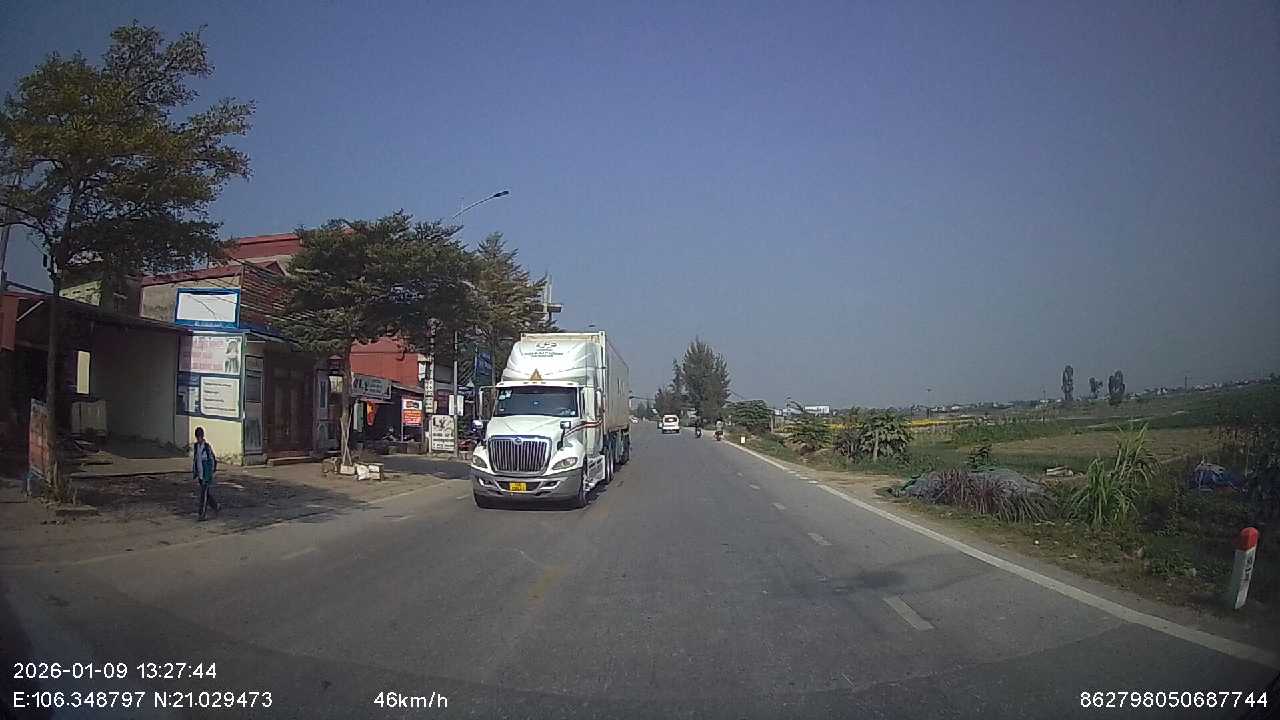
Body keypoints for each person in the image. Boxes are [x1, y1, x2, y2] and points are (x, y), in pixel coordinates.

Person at [193, 427, 220, 520]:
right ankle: (216, 506)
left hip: (206, 475)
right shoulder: (196, 446)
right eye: (197, 437)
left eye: (200, 437)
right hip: (200, 474)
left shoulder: (207, 447)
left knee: (203, 495)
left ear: (202, 437)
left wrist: (210, 474)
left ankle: (202, 514)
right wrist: (195, 472)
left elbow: (212, 460)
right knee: (206, 494)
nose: (199, 439)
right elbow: (196, 460)